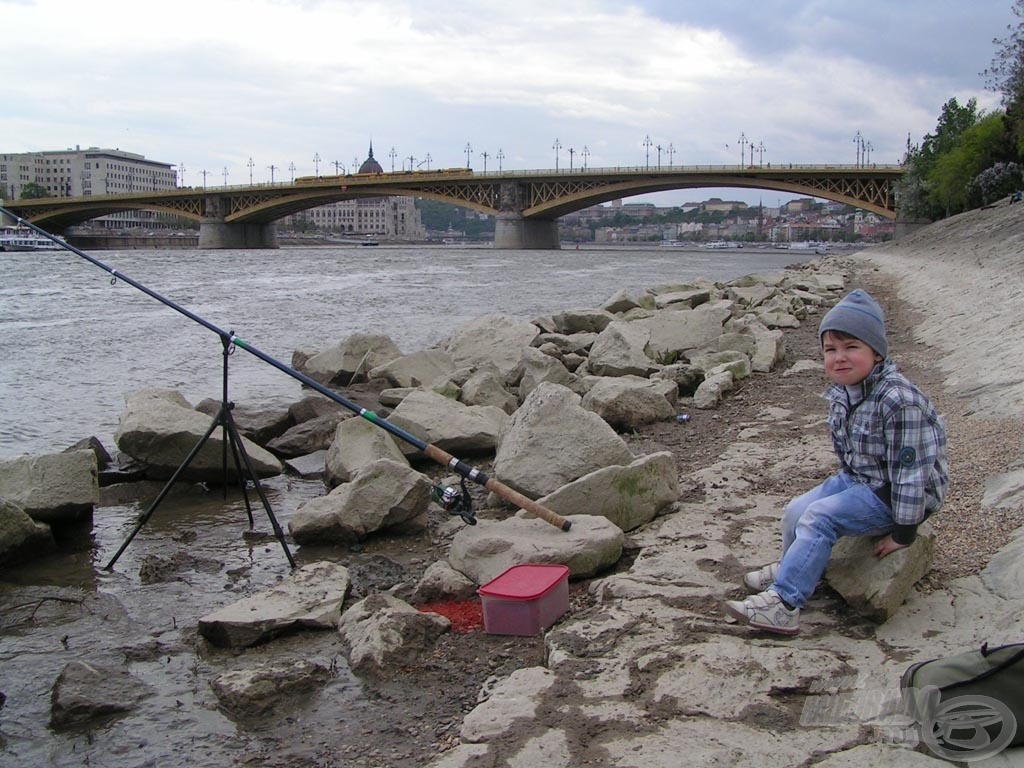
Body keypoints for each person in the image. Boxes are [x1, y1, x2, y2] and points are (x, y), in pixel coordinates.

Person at [724, 289, 948, 635]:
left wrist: (904, 531)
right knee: (796, 511)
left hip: (897, 494)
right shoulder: (846, 392)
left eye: (851, 348)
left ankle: (784, 604)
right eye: (831, 350)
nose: (839, 358)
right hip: (863, 478)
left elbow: (911, 473)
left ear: (876, 353)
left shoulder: (899, 401)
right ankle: (793, 568)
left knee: (820, 517)